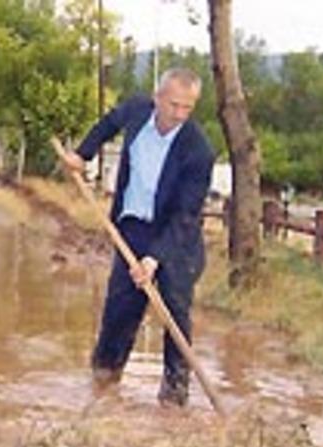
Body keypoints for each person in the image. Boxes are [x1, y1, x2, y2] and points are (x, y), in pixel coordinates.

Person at [61, 68, 214, 407]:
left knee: (175, 314)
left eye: (187, 108)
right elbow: (108, 124)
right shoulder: (136, 111)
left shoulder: (198, 150)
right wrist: (82, 155)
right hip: (132, 229)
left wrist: (154, 258)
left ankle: (174, 398)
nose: (179, 115)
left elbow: (186, 215)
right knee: (119, 311)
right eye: (173, 104)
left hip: (176, 242)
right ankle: (103, 384)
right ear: (157, 97)